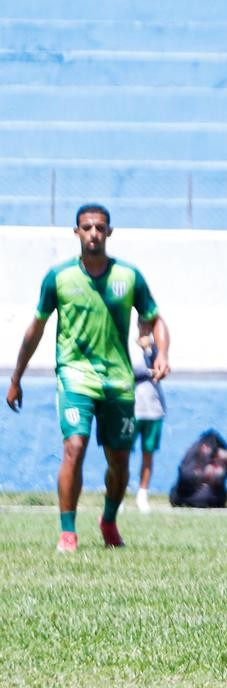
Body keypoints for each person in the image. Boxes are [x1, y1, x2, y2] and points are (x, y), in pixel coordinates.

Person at [6, 203, 170, 552]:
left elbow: (155, 319)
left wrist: (164, 354)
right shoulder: (59, 278)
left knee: (120, 461)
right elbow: (36, 328)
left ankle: (108, 520)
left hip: (118, 381)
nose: (93, 233)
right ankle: (68, 531)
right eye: (87, 227)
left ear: (109, 232)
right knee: (74, 448)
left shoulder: (128, 277)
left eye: (99, 227)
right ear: (76, 232)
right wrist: (16, 376)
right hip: (74, 377)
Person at [132, 331, 166, 513]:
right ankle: (118, 495)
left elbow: (162, 370)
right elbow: (128, 372)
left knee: (148, 453)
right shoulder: (127, 343)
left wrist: (149, 349)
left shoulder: (157, 348)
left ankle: (142, 494)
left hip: (154, 409)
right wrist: (149, 372)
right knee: (121, 453)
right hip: (132, 408)